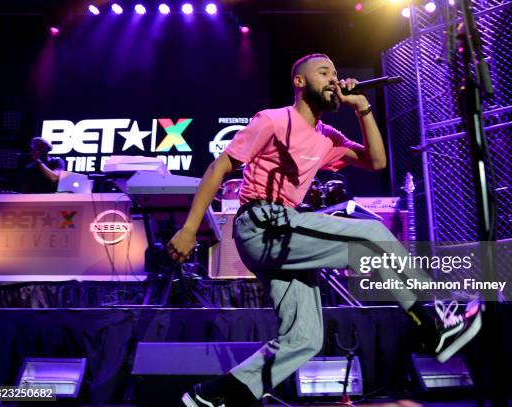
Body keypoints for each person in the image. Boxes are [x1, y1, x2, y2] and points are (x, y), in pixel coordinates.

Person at [168, 54, 482, 407]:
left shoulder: (326, 137)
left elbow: (375, 161)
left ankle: (214, 396)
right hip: (262, 225)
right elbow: (219, 166)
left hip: (285, 235)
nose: (334, 79)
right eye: (323, 73)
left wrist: (362, 108)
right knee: (371, 233)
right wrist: (190, 228)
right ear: (300, 83)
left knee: (304, 338)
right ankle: (434, 319)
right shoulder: (273, 120)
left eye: (336, 73)